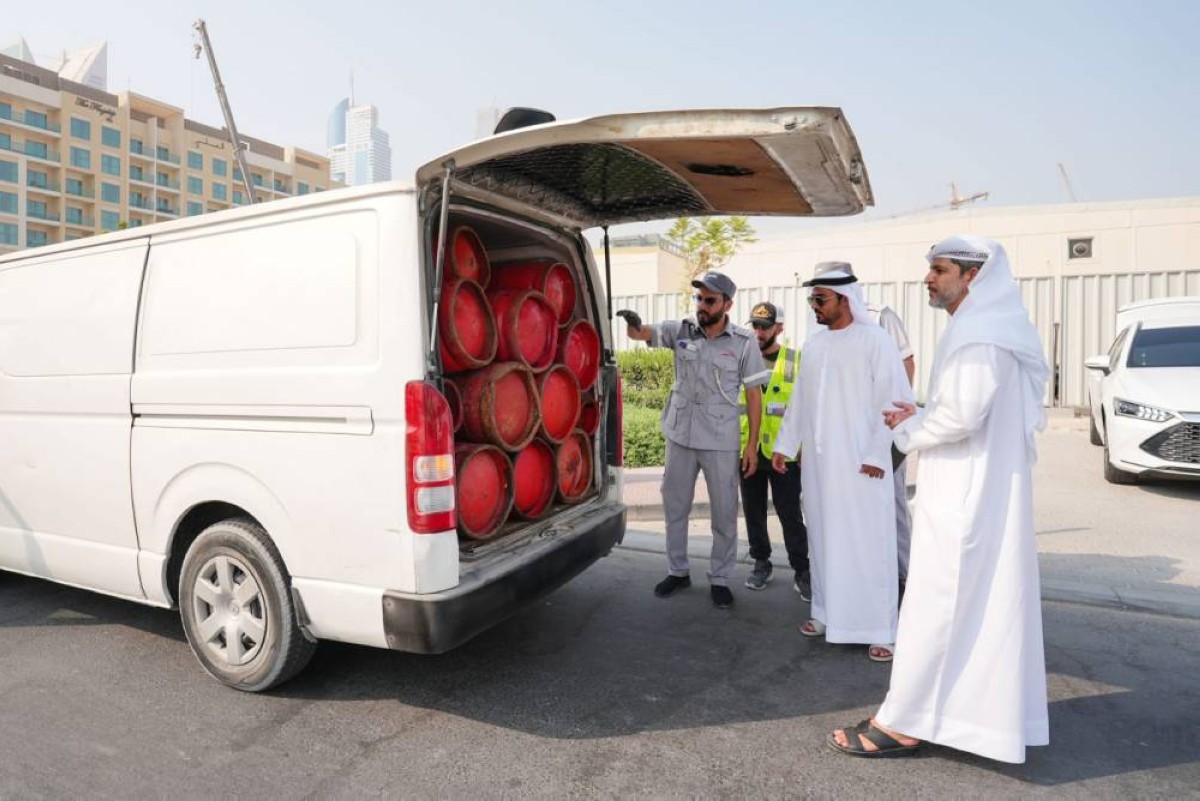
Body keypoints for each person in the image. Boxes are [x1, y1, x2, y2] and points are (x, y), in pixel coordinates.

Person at [829, 235, 1051, 763]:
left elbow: (961, 417)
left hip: (964, 495)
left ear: (973, 276)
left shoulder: (979, 334)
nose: (929, 278)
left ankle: (902, 722)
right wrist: (924, 415)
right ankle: (965, 720)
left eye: (941, 269)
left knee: (936, 606)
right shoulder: (989, 326)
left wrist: (909, 428)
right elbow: (966, 410)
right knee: (974, 610)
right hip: (977, 488)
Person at [770, 262, 913, 661]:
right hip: (820, 466)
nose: (814, 306)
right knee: (823, 538)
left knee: (867, 545)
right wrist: (785, 445)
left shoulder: (876, 341)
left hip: (862, 464)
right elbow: (800, 400)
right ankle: (826, 612)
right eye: (812, 300)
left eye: (821, 299)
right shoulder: (815, 345)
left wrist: (877, 453)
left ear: (845, 299)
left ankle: (880, 629)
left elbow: (895, 402)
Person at [616, 271, 769, 609]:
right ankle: (678, 570)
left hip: (720, 439)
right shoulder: (681, 329)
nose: (702, 305)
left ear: (727, 304)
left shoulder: (744, 343)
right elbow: (643, 333)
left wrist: (751, 445)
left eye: (710, 300)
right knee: (675, 507)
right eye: (699, 298)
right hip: (681, 435)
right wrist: (633, 325)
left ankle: (720, 578)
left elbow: (754, 395)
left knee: (724, 513)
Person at [737, 302, 810, 599]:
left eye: (764, 327)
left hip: (784, 452)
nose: (758, 332)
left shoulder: (796, 360)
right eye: (754, 326)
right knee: (753, 511)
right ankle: (761, 562)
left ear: (779, 328)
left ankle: (802, 569)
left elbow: (807, 408)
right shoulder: (741, 359)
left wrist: (803, 448)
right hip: (749, 449)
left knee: (790, 513)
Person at [866, 300, 916, 587]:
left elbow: (907, 361)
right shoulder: (823, 322)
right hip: (854, 433)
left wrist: (898, 414)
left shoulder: (880, 316)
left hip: (887, 426)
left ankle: (903, 573)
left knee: (894, 501)